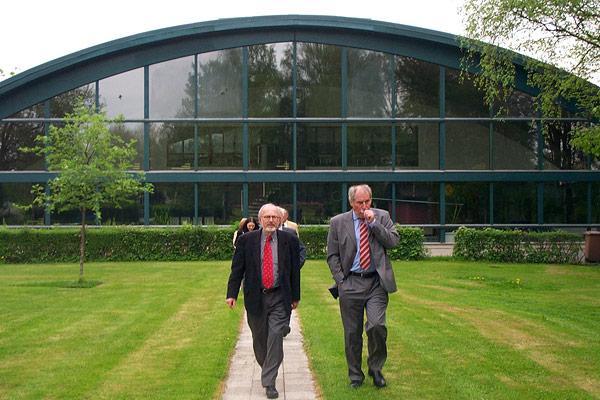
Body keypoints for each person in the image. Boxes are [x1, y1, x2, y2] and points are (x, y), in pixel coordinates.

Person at [326, 184, 399, 389]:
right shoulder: (338, 222)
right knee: (352, 333)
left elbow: (393, 241)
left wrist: (374, 224)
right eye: (360, 203)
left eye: (368, 201)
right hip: (351, 283)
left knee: (377, 326)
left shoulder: (382, 216)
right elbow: (332, 255)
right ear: (351, 202)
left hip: (376, 281)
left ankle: (375, 368)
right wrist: (341, 281)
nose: (365, 206)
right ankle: (355, 376)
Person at [226, 203, 301, 399]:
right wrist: (231, 294)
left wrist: (295, 296)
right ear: (260, 220)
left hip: (279, 297)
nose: (270, 220)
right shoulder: (246, 241)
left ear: (280, 220)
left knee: (276, 335)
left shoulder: (289, 239)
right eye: (266, 217)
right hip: (256, 297)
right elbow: (237, 269)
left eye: (274, 217)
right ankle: (268, 365)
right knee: (260, 340)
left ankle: (269, 382)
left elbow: (294, 271)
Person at [277, 206, 306, 338]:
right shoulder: (261, 233)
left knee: (286, 301)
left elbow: (301, 250)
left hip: (286, 277)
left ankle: (284, 325)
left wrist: (295, 266)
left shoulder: (290, 233)